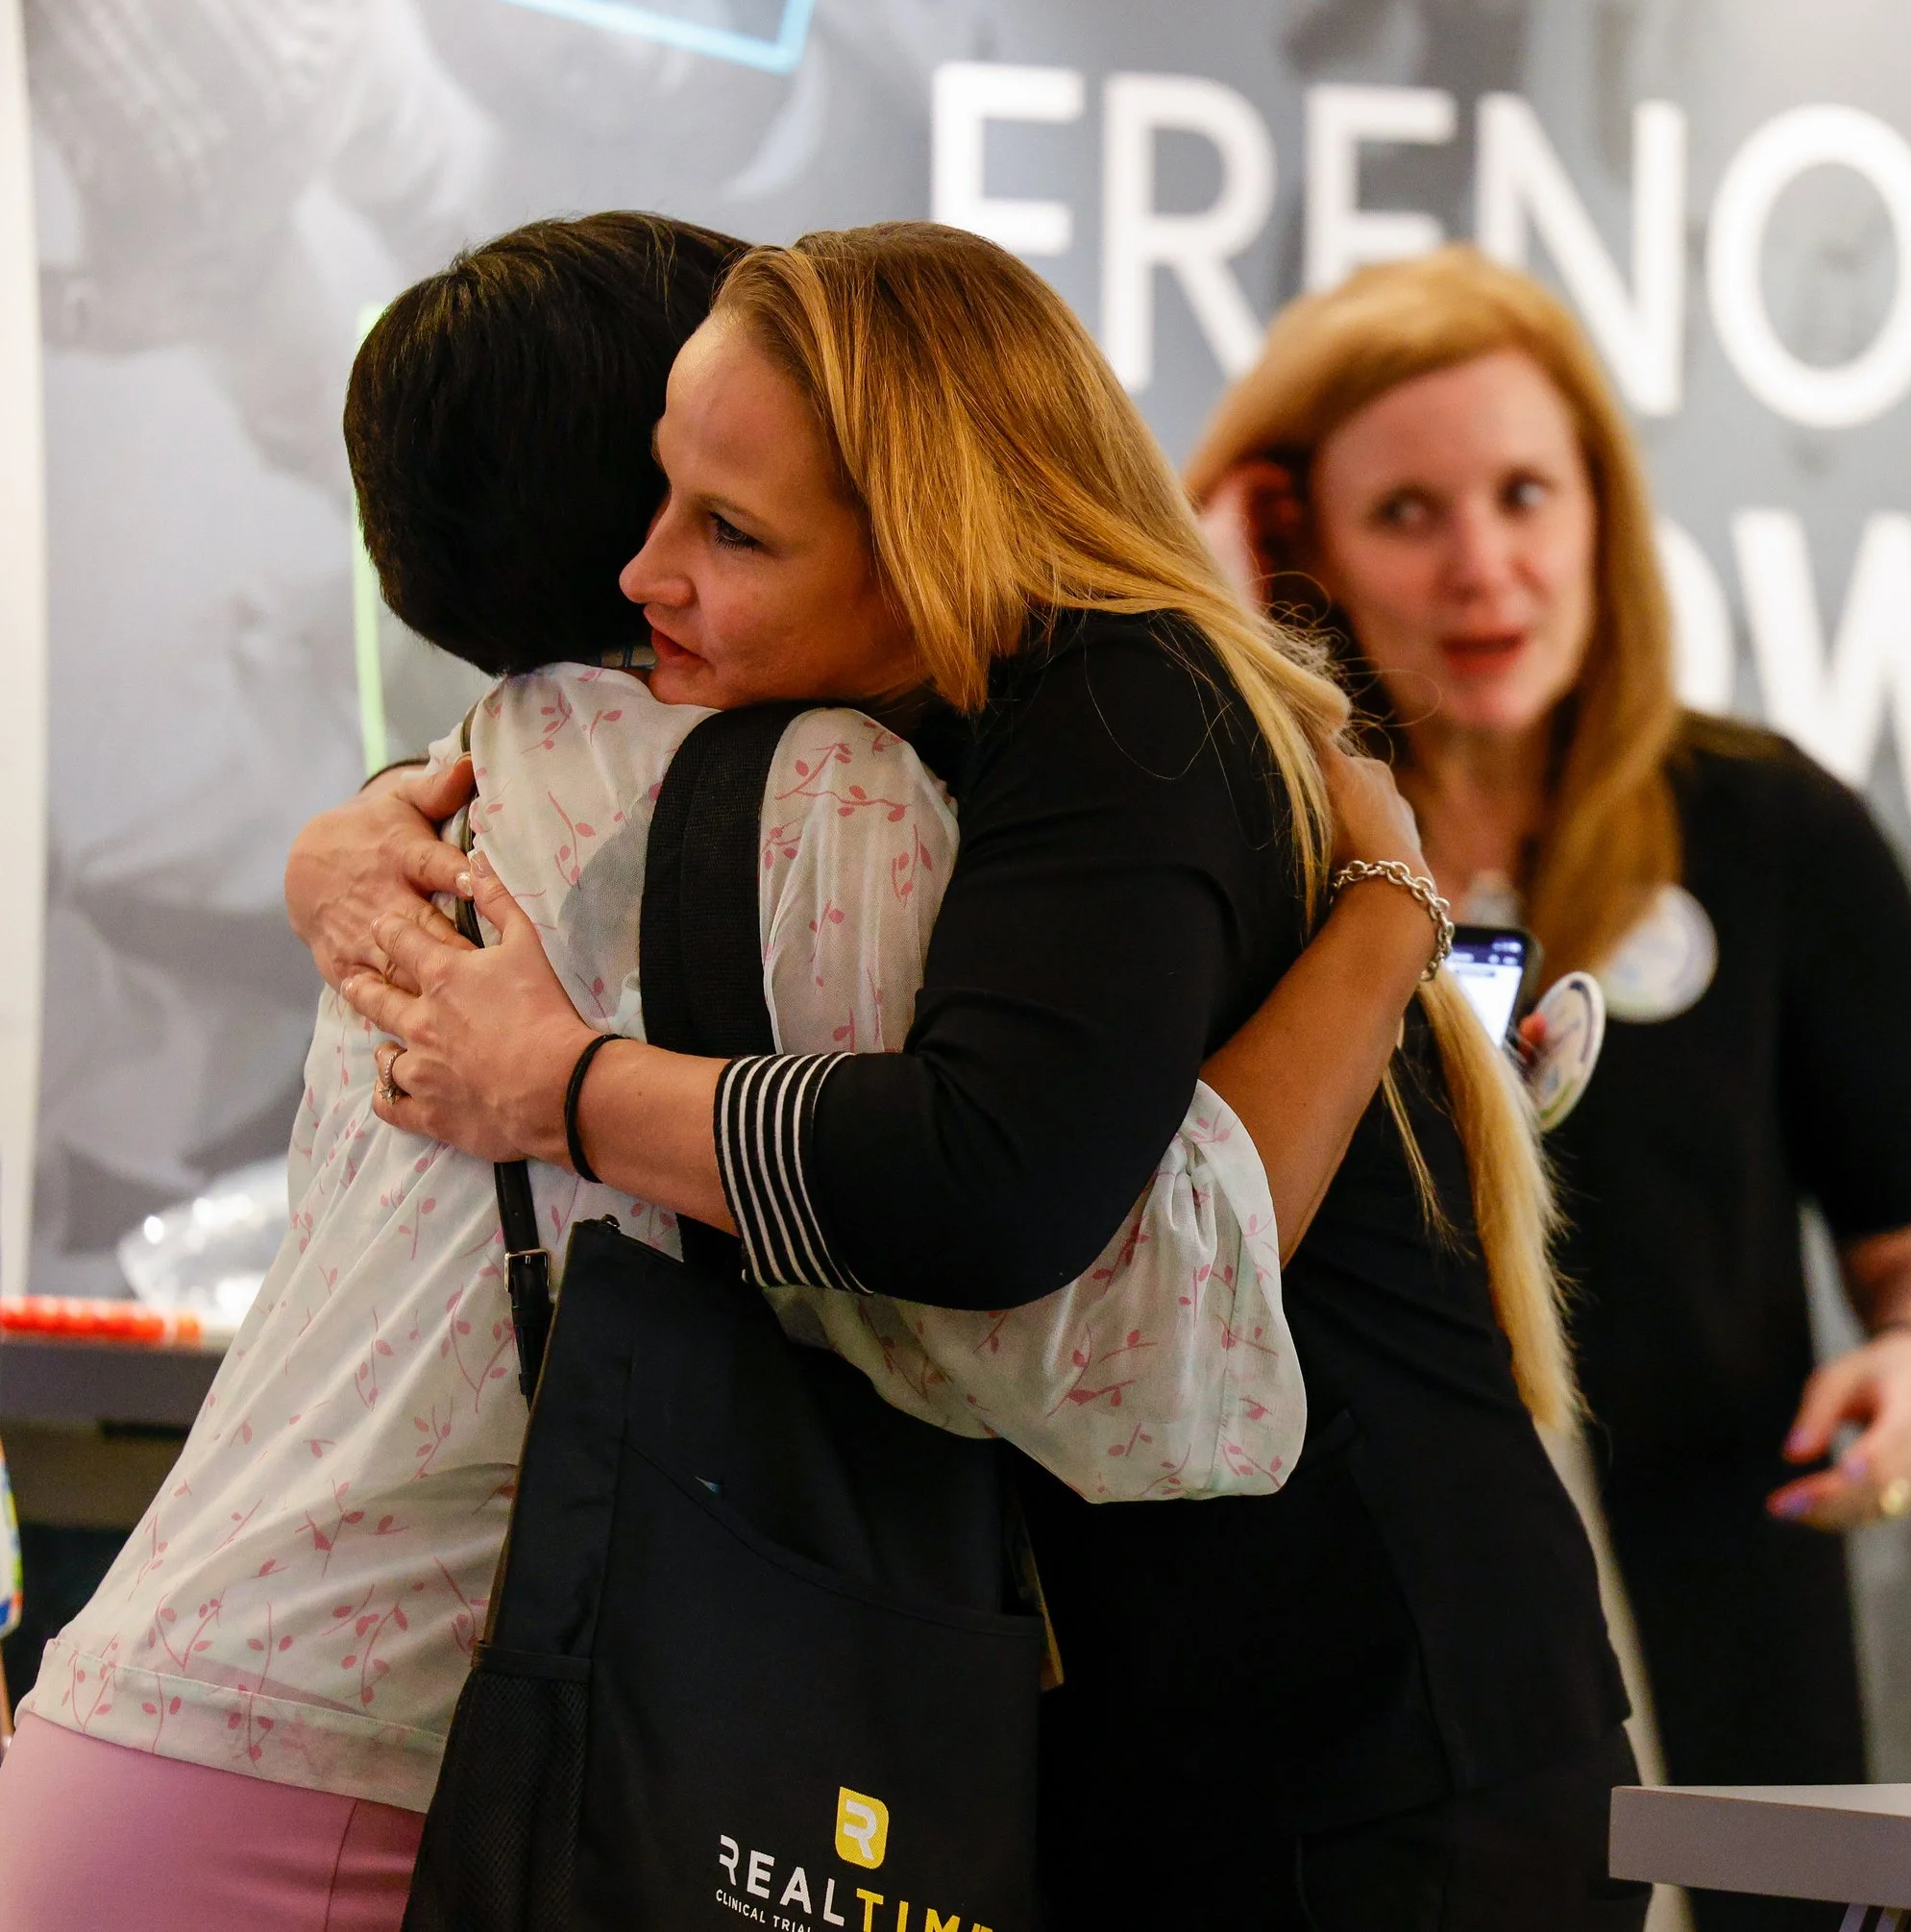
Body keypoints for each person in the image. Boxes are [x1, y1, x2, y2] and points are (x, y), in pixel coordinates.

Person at [0, 213, 1411, 1931]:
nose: (673, 552)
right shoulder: (826, 799)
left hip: (148, 1714)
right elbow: (1115, 1334)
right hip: (364, 1776)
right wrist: (1388, 914)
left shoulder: (455, 788)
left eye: (728, 505)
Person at [297, 221, 1650, 1930]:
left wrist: (563, 1087)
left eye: (729, 529)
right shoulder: (965, 724)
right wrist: (355, 839)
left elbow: (992, 1182)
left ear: (922, 538)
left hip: (1370, 1738)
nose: (645, 573)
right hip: (1186, 1715)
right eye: (661, 500)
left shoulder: (1123, 695)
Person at [1190, 246, 1911, 1932]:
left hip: (1727, 1672)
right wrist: (1223, 638)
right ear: (1300, 542)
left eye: (1524, 494)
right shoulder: (1234, 848)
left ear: (1601, 514)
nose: (1484, 566)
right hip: (1352, 1724)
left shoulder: (1773, 829)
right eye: (1407, 512)